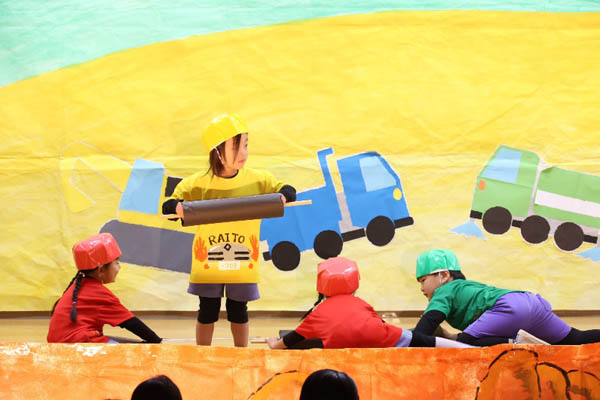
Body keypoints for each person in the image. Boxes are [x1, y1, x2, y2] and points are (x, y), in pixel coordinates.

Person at [162, 114, 296, 347]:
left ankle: (241, 354)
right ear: (217, 151)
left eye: (246, 145)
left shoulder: (259, 179)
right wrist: (178, 207)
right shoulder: (197, 183)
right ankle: (202, 353)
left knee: (238, 309)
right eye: (236, 147)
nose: (243, 153)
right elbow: (169, 205)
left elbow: (287, 190)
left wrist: (283, 196)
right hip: (208, 261)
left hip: (243, 262)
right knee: (207, 309)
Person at [266, 257, 472, 349]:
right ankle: (466, 348)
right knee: (424, 340)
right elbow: (377, 322)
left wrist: (275, 344)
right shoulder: (359, 303)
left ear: (322, 286)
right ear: (354, 283)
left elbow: (294, 337)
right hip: (382, 338)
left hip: (344, 347)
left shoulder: (318, 313)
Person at [413, 248, 600, 346]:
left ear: (444, 275)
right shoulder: (465, 289)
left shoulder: (445, 290)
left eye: (423, 280)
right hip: (530, 302)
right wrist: (448, 335)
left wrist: (408, 342)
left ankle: (522, 345)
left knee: (466, 345)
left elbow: (430, 320)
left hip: (508, 308)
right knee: (574, 339)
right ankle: (527, 342)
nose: (421, 288)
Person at [47, 233, 162, 344]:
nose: (119, 267)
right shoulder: (99, 294)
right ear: (101, 270)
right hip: (75, 346)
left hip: (62, 343)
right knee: (129, 351)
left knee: (129, 343)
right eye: (116, 263)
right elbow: (131, 323)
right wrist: (157, 342)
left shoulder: (80, 284)